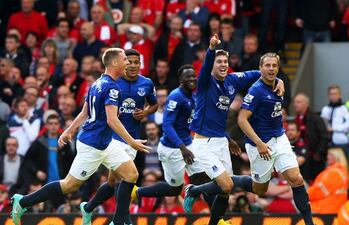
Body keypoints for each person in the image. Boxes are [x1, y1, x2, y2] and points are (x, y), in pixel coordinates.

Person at [11, 48, 151, 225]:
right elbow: (112, 120)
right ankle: (22, 201)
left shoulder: (97, 83)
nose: (128, 64)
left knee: (131, 174)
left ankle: (119, 220)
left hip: (106, 142)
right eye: (125, 60)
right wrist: (132, 142)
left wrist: (69, 130)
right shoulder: (112, 88)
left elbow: (85, 111)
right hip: (92, 145)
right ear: (115, 62)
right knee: (70, 185)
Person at [182, 35, 284, 225]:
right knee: (227, 184)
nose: (222, 64)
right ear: (212, 65)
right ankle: (193, 190)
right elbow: (205, 66)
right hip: (203, 144)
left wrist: (278, 80)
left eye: (225, 61)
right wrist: (212, 48)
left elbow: (259, 72)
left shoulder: (233, 80)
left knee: (225, 190)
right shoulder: (205, 81)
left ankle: (215, 222)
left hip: (221, 140)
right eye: (218, 61)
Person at [79, 49, 158, 225]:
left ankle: (88, 208)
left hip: (133, 137)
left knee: (114, 181)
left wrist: (144, 113)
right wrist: (112, 114)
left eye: (136, 62)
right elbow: (95, 107)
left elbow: (154, 104)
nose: (132, 65)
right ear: (122, 63)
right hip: (114, 138)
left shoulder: (146, 83)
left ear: (140, 64)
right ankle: (122, 219)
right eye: (128, 61)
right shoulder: (114, 82)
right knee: (127, 177)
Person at [237, 53, 314, 224]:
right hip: (260, 144)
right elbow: (241, 119)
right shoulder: (256, 91)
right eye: (267, 65)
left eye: (274, 66)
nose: (271, 69)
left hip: (279, 137)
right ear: (260, 68)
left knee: (296, 178)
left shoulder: (277, 83)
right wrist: (259, 144)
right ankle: (234, 179)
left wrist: (281, 81)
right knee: (259, 189)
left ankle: (309, 222)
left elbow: (276, 79)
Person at [131, 65, 205, 207]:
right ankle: (137, 192)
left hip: (188, 144)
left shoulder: (194, 96)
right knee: (174, 189)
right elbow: (167, 125)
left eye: (193, 76)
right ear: (180, 80)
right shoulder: (176, 96)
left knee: (204, 177)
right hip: (172, 148)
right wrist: (182, 148)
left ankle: (214, 216)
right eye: (187, 76)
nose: (191, 79)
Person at [308, 147, 349, 214]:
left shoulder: (334, 173)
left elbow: (321, 191)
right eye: (328, 154)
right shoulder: (340, 170)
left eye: (331, 155)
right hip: (334, 206)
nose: (328, 157)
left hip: (327, 208)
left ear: (337, 157)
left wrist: (305, 195)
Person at [320, 85, 349, 152]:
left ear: (339, 95)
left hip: (341, 141)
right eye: (331, 94)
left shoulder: (344, 108)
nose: (333, 96)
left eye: (335, 94)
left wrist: (334, 128)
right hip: (328, 142)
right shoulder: (325, 109)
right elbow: (322, 123)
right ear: (328, 96)